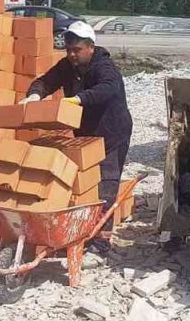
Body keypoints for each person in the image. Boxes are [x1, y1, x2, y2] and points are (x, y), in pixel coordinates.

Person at [22, 21, 133, 254]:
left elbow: (107, 88)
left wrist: (79, 99)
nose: (72, 54)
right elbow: (46, 81)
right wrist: (34, 95)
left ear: (90, 47)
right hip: (86, 133)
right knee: (82, 184)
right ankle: (80, 231)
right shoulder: (67, 67)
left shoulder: (104, 66)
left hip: (113, 133)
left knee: (106, 183)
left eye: (77, 49)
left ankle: (101, 241)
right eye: (69, 49)